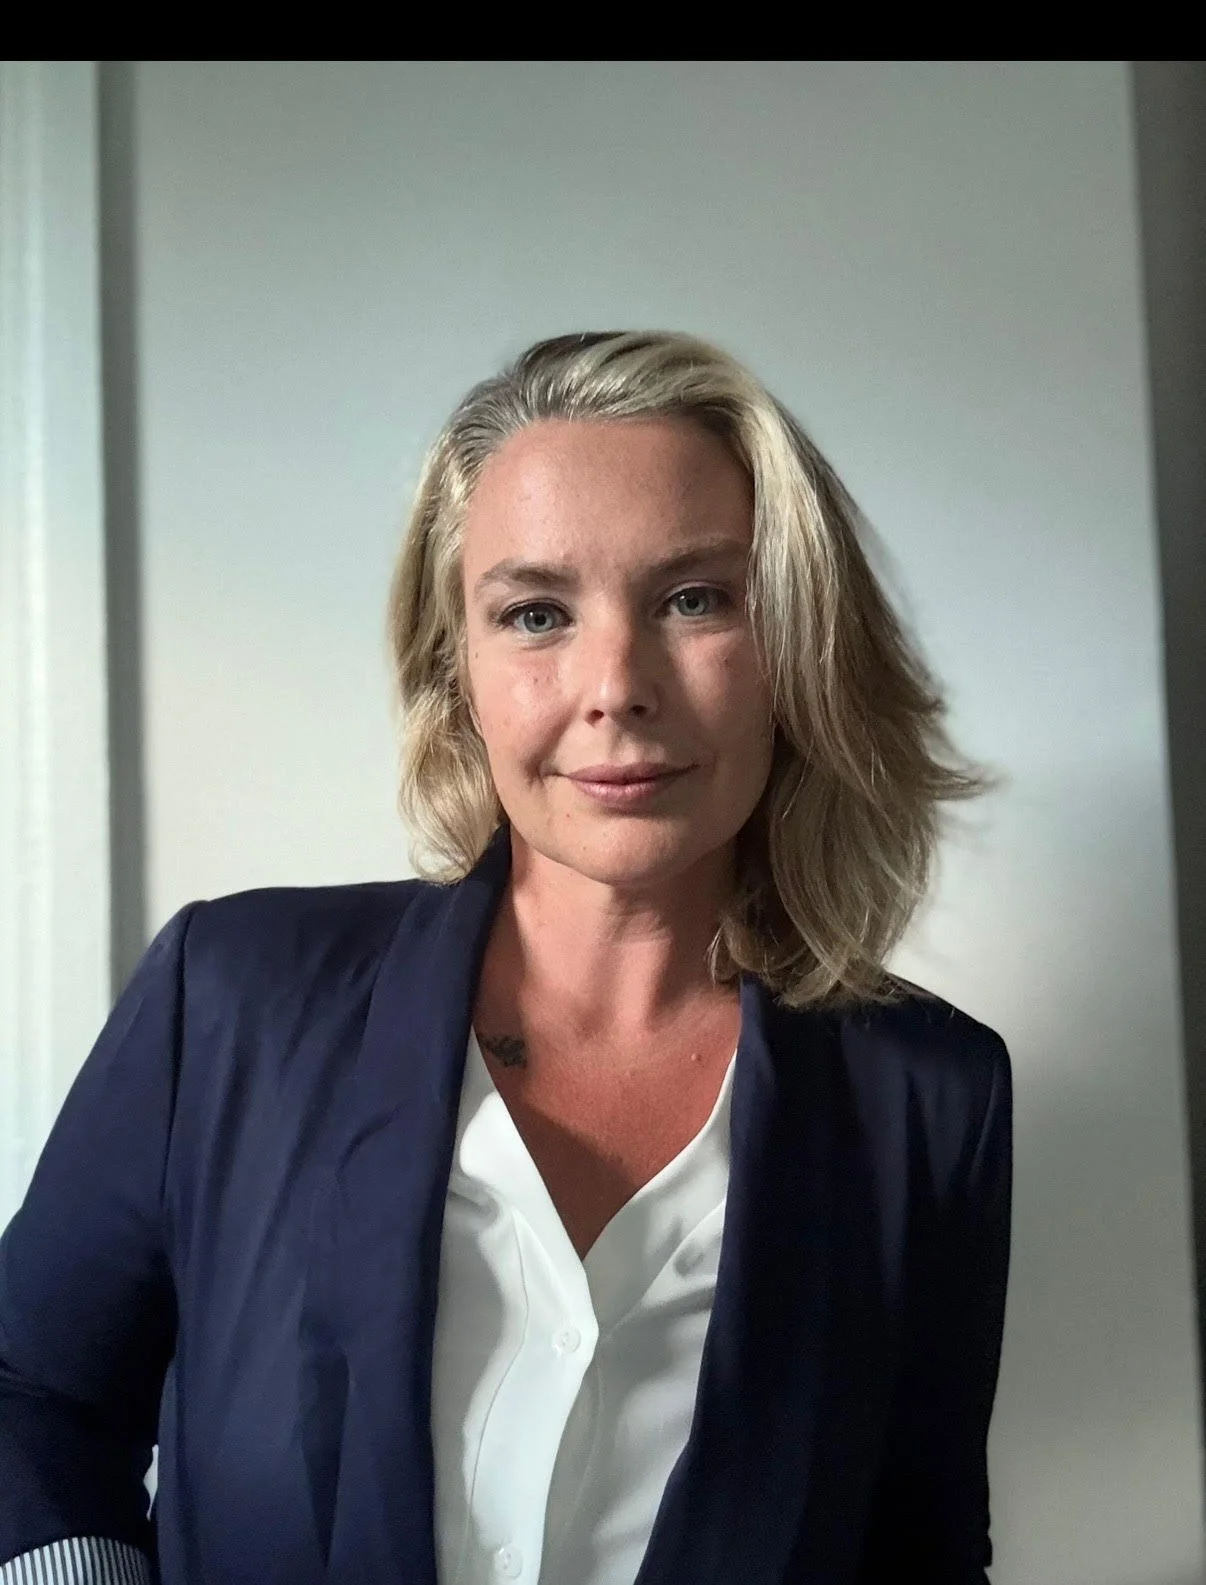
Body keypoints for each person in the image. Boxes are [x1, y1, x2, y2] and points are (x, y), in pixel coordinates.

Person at [0, 330, 1012, 1585]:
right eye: (536, 613)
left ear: (801, 645)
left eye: (696, 598)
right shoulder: (234, 998)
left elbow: (916, 1546)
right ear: (456, 670)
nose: (615, 686)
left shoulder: (933, 1098)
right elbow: (27, 1394)